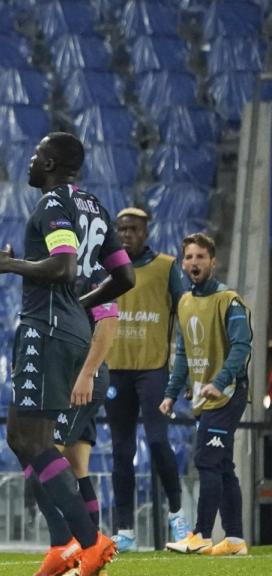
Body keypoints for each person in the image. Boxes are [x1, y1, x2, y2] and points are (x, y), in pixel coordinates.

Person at [0, 132, 134, 576]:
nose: (30, 162)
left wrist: (12, 266)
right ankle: (65, 545)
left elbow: (64, 266)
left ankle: (89, 542)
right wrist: (81, 304)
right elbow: (124, 276)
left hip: (46, 329)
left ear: (50, 162)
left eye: (36, 155)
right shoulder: (95, 205)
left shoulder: (54, 202)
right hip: (67, 329)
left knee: (34, 440)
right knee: (22, 438)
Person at [162, 233, 252, 556]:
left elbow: (243, 345)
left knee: (207, 460)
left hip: (228, 393)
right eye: (189, 257)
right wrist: (171, 392)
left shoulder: (229, 300)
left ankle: (200, 534)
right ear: (183, 262)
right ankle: (236, 540)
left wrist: (221, 379)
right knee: (224, 465)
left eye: (201, 257)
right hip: (205, 396)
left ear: (213, 262)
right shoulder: (185, 302)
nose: (194, 263)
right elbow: (184, 353)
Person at [105, 207, 188, 551]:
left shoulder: (167, 267)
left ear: (146, 232)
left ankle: (178, 513)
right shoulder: (107, 267)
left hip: (153, 367)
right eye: (122, 229)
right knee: (122, 451)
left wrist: (187, 368)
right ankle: (124, 530)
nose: (126, 234)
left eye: (133, 229)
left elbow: (185, 312)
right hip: (116, 368)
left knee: (156, 442)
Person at [30, 267, 119, 562]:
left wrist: (87, 373)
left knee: (41, 461)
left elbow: (108, 322)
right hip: (68, 375)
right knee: (77, 463)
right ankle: (93, 549)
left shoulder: (94, 273)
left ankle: (71, 543)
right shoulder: (59, 273)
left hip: (81, 377)